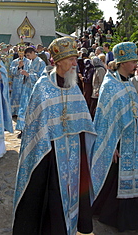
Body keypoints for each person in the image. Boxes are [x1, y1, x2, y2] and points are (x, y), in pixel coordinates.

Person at [12, 36, 96, 235]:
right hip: (50, 155)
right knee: (52, 198)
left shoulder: (74, 86)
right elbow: (35, 128)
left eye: (76, 59)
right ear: (58, 62)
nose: (76, 63)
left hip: (73, 152)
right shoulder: (42, 87)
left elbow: (83, 120)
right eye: (71, 60)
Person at [91, 42, 138, 234]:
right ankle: (122, 219)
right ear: (121, 62)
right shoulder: (110, 86)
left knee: (130, 180)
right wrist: (111, 145)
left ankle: (124, 218)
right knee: (116, 180)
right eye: (132, 61)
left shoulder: (127, 82)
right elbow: (103, 118)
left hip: (134, 140)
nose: (135, 64)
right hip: (117, 142)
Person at [16, 47, 46, 134]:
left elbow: (42, 77)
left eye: (29, 55)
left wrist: (28, 74)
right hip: (27, 89)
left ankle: (32, 130)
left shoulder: (41, 63)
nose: (28, 57)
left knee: (32, 109)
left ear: (33, 52)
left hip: (35, 90)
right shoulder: (30, 62)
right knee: (24, 108)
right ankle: (23, 129)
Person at [10, 45, 29, 116]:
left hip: (24, 81)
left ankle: (21, 112)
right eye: (19, 53)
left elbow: (29, 70)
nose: (20, 54)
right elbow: (11, 71)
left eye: (22, 53)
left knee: (23, 96)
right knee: (15, 96)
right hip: (16, 82)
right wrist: (18, 67)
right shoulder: (14, 62)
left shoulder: (28, 62)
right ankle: (14, 112)